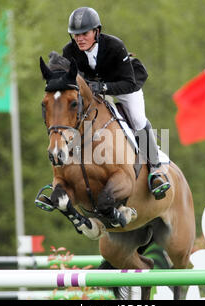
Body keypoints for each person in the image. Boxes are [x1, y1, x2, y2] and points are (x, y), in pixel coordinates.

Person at [62, 7, 170, 200]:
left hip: (125, 85)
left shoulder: (114, 46)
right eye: (75, 35)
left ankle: (156, 169)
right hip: (93, 91)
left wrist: (101, 87)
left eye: (84, 33)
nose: (80, 39)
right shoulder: (69, 51)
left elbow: (128, 83)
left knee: (137, 120)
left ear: (96, 31)